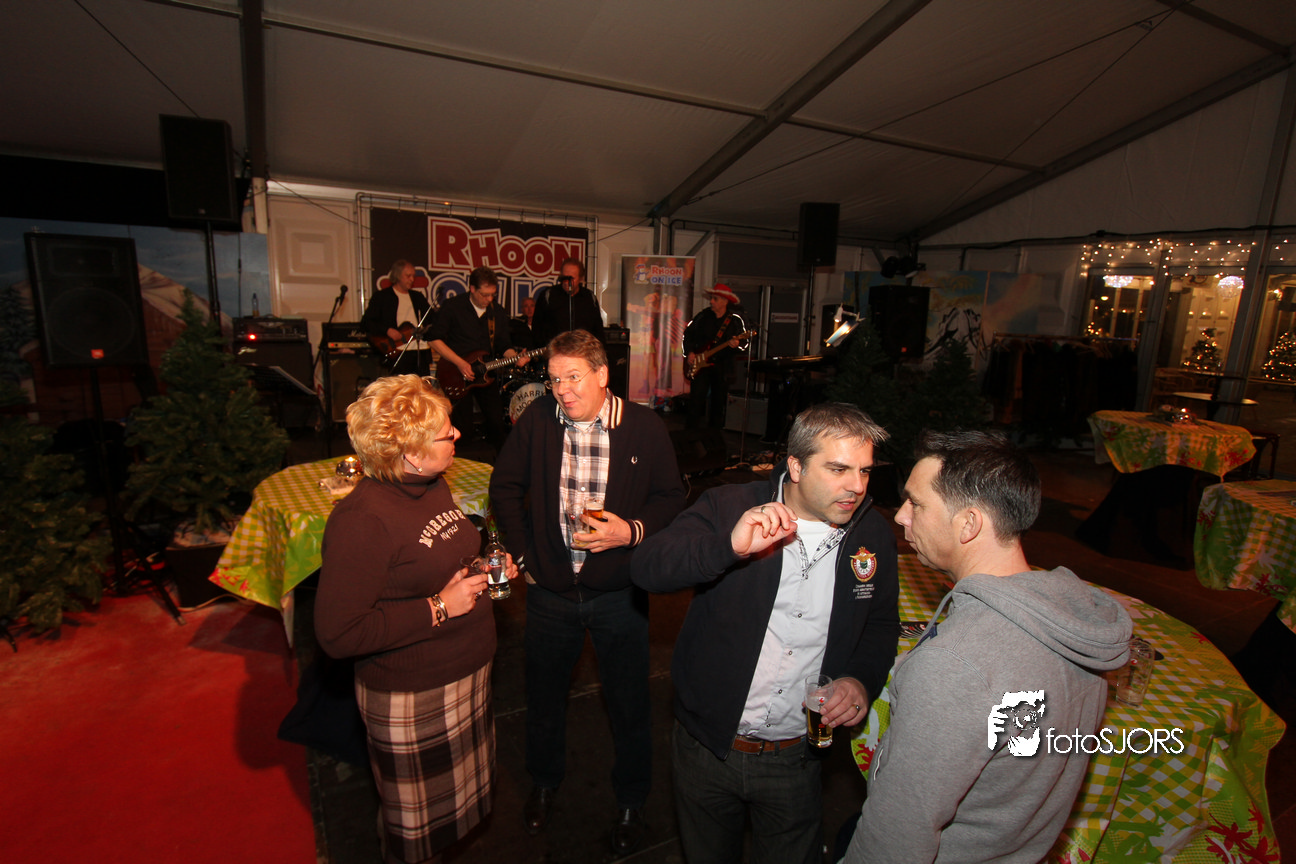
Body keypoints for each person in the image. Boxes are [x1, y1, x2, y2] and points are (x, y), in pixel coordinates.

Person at [844, 430, 1133, 864]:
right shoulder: (1073, 621)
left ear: (969, 524)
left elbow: (897, 836)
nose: (901, 516)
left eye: (917, 504)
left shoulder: (956, 667)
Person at [631, 402, 900, 864]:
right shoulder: (730, 507)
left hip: (797, 756)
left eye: (864, 471)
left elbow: (879, 624)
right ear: (795, 466)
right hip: (707, 747)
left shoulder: (872, 534)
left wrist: (859, 679)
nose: (857, 486)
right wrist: (727, 547)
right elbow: (646, 568)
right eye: (838, 469)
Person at [489, 329, 685, 857]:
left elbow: (671, 497)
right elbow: (504, 487)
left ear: (602, 374)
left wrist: (632, 532)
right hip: (550, 592)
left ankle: (631, 801)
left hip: (619, 593)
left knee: (629, 704)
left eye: (573, 377)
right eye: (554, 379)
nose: (563, 390)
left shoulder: (643, 427)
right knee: (543, 701)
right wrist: (525, 556)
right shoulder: (538, 421)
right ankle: (544, 783)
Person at [314, 375, 520, 864]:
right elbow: (339, 634)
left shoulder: (430, 484)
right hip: (415, 697)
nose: (457, 435)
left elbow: (434, 562)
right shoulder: (362, 520)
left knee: (453, 825)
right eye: (446, 433)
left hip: (465, 677)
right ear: (409, 453)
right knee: (416, 842)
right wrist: (439, 607)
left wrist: (480, 568)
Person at [428, 266, 527, 453]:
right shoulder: (453, 306)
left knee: (496, 422)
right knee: (462, 427)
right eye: (484, 295)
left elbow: (503, 344)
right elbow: (434, 339)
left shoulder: (496, 312)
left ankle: (499, 463)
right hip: (455, 373)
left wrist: (515, 357)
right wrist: (459, 362)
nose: (489, 299)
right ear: (472, 289)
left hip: (485, 373)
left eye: (493, 295)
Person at [683, 283, 747, 429]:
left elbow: (745, 344)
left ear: (725, 301)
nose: (711, 301)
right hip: (701, 366)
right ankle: (690, 434)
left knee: (718, 404)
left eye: (715, 299)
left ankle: (714, 435)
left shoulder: (735, 321)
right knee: (696, 401)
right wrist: (690, 352)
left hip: (722, 367)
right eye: (711, 298)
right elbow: (687, 334)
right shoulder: (703, 316)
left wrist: (737, 344)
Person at [361, 260, 435, 375]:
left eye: (413, 276)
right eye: (408, 276)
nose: (412, 279)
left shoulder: (417, 297)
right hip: (398, 352)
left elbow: (432, 318)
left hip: (420, 351)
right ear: (397, 275)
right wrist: (387, 330)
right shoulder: (382, 297)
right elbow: (367, 322)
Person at [533, 257, 605, 346]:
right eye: (564, 278)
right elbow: (537, 328)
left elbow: (598, 330)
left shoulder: (589, 298)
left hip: (582, 350)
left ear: (581, 278)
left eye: (572, 278)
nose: (567, 282)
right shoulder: (548, 295)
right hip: (555, 350)